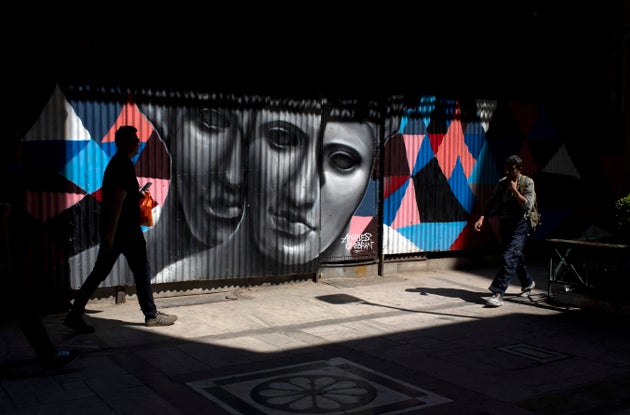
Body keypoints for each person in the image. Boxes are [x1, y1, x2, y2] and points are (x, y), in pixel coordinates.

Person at [64, 125, 177, 333]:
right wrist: (109, 236)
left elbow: (122, 198)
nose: (138, 142)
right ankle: (151, 315)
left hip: (121, 231)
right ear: (125, 143)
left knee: (104, 272)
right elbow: (116, 201)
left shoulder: (120, 164)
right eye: (135, 140)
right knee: (138, 271)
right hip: (124, 232)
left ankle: (75, 314)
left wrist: (137, 197)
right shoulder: (122, 165)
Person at [1, 130, 79, 374]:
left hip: (14, 253)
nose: (22, 150)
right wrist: (7, 262)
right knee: (24, 305)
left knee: (24, 306)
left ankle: (48, 353)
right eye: (19, 145)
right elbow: (1, 222)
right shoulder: (5, 177)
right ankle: (48, 354)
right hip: (12, 254)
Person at [473, 154, 536, 307]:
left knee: (509, 256)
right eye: (507, 169)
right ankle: (528, 282)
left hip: (520, 225)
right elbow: (491, 202)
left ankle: (498, 292)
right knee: (516, 255)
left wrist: (514, 191)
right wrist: (482, 217)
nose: (508, 173)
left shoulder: (527, 182)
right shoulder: (502, 183)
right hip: (505, 225)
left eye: (512, 170)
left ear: (520, 169)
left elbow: (527, 205)